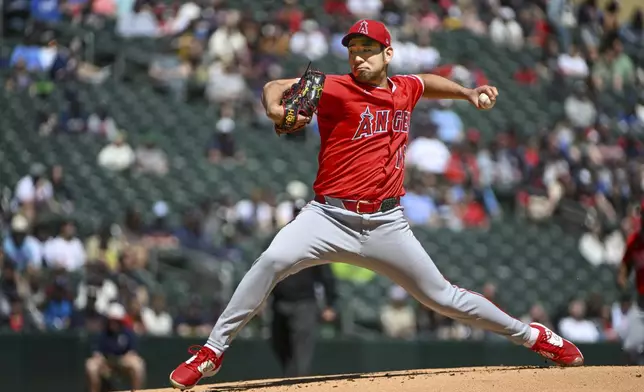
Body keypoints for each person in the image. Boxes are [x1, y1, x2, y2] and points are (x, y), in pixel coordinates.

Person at [169, 19, 584, 390]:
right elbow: (274, 86)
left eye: (367, 49)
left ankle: (533, 336)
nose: (359, 57)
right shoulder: (334, 86)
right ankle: (211, 352)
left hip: (387, 223)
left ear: (388, 54)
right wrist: (275, 105)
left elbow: (425, 82)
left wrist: (467, 93)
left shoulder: (404, 88)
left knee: (444, 298)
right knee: (271, 260)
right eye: (353, 50)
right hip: (328, 216)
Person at [269, 199, 338, 377]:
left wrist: (330, 304)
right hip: (279, 302)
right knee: (279, 344)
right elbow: (265, 270)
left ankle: (299, 382)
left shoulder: (315, 242)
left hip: (304, 302)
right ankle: (289, 378)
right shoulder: (279, 237)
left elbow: (326, 276)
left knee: (302, 348)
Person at [85, 303, 146, 392]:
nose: (114, 323)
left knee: (138, 365)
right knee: (90, 366)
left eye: (117, 321)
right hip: (105, 362)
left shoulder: (127, 332)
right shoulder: (103, 333)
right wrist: (101, 360)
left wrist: (124, 359)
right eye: (112, 320)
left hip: (122, 362)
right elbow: (96, 352)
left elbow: (132, 352)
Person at [616, 201, 644, 365]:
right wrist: (623, 276)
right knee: (630, 348)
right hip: (641, 304)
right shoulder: (634, 240)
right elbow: (626, 263)